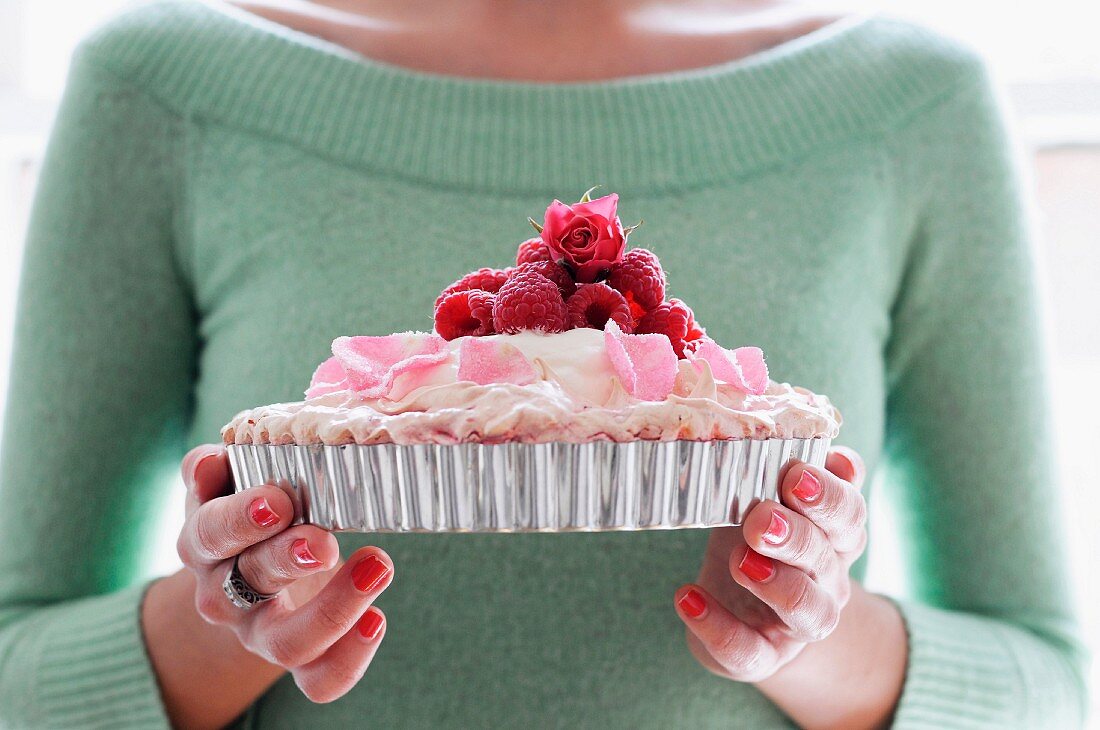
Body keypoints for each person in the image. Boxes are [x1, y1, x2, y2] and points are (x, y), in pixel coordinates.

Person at [0, 0, 1088, 727]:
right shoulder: (165, 84)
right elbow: (17, 665)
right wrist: (239, 614)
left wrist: (803, 624)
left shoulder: (904, 100)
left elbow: (1045, 680)